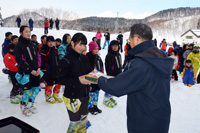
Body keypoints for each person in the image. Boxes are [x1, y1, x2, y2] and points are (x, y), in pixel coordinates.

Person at [97, 23, 173, 133]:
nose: (129, 42)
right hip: (160, 117)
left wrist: (99, 79)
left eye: (130, 39)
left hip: (145, 121)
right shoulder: (159, 56)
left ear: (136, 39)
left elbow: (116, 87)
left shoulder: (143, 63)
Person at [58, 33, 91, 133]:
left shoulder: (84, 58)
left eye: (84, 45)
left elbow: (87, 73)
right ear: (72, 43)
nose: (82, 48)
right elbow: (60, 79)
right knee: (75, 123)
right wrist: (78, 80)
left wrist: (91, 81)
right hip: (72, 97)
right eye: (80, 44)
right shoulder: (66, 60)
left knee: (83, 120)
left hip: (84, 95)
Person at [14, 25, 41, 116]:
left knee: (36, 89)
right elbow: (20, 61)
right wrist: (30, 70)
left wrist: (38, 67)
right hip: (25, 73)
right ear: (21, 33)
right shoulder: (19, 45)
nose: (28, 33)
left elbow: (38, 56)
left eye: (29, 31)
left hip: (35, 72)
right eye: (26, 31)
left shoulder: (33, 44)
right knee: (28, 91)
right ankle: (23, 106)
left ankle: (30, 104)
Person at [41, 36, 63, 104]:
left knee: (59, 83)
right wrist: (44, 72)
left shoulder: (55, 50)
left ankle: (55, 94)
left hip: (56, 71)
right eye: (49, 42)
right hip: (49, 71)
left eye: (52, 41)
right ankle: (48, 96)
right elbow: (42, 63)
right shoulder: (44, 51)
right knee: (49, 84)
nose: (51, 43)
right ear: (46, 42)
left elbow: (58, 60)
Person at [103, 40, 122, 108]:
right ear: (110, 47)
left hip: (118, 74)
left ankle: (110, 97)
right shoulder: (109, 55)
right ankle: (106, 99)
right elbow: (108, 66)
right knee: (110, 87)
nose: (115, 47)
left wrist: (120, 72)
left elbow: (119, 64)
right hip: (111, 74)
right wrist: (109, 75)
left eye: (116, 46)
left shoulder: (118, 54)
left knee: (114, 87)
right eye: (113, 46)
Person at [86, 41, 103, 115]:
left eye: (97, 49)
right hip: (91, 78)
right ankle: (90, 107)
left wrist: (101, 75)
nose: (96, 50)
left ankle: (95, 105)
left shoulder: (98, 57)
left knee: (97, 91)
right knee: (91, 92)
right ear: (91, 49)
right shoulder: (87, 57)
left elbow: (101, 67)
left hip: (98, 77)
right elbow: (86, 69)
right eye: (94, 49)